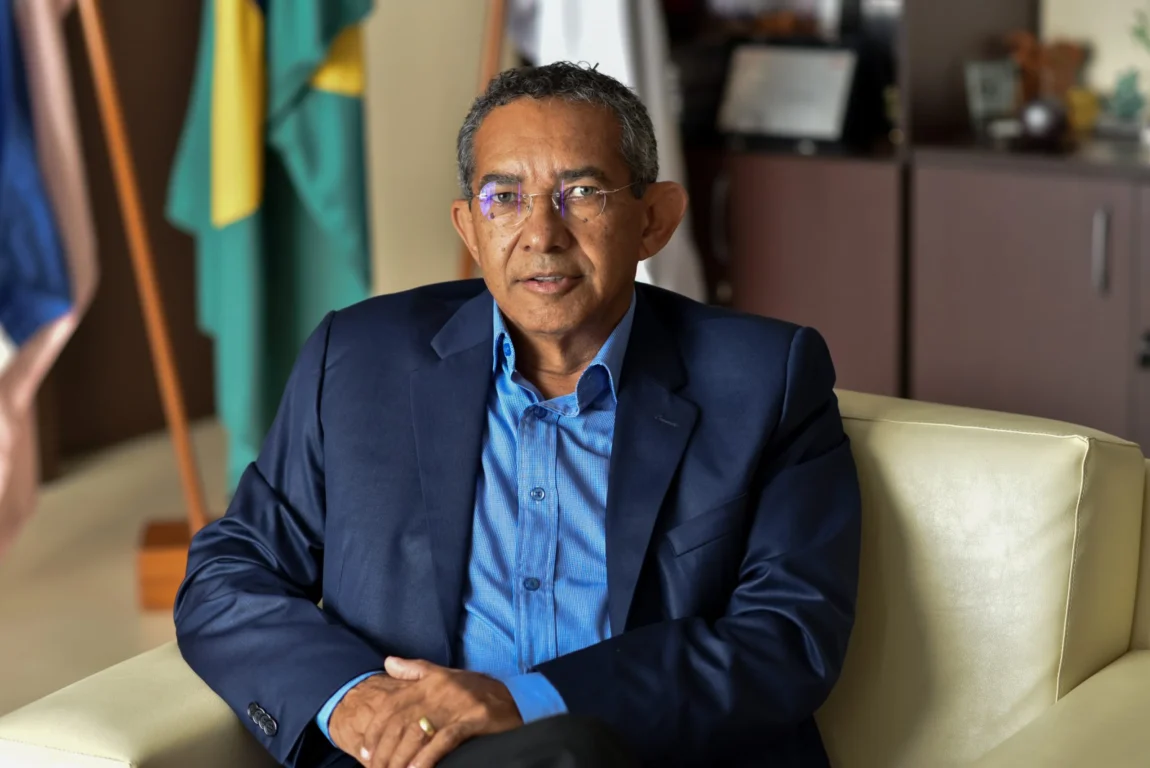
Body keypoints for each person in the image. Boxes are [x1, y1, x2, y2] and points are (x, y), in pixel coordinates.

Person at [174, 62, 861, 768]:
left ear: (654, 220)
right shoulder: (356, 361)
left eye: (582, 193)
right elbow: (230, 572)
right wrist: (353, 699)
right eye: (504, 198)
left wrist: (528, 700)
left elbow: (787, 636)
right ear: (470, 228)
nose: (541, 234)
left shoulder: (765, 380)